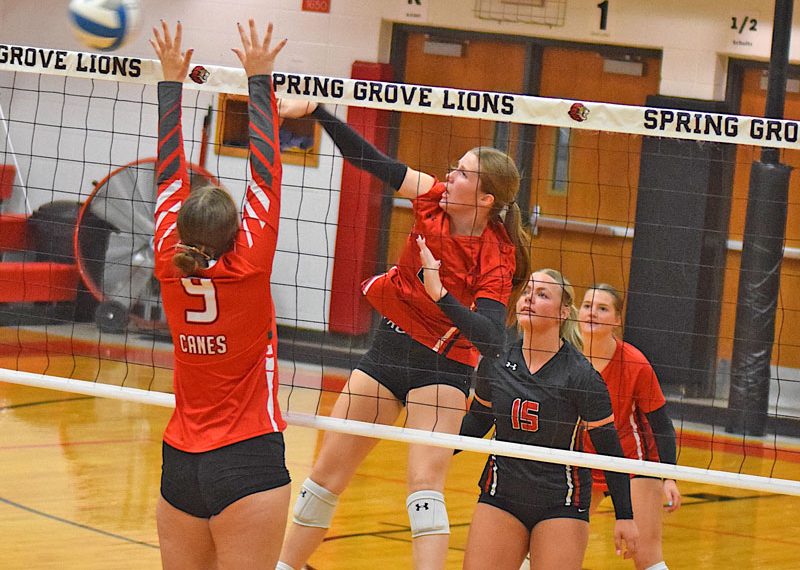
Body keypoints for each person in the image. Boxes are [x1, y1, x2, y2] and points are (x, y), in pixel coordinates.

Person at [276, 101, 531, 570]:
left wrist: (440, 295)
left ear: (484, 198)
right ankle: (285, 567)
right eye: (454, 169)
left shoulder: (497, 252)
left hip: (443, 366)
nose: (449, 175)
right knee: (324, 476)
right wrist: (317, 111)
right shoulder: (433, 197)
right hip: (388, 348)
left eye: (462, 173)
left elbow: (493, 338)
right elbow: (370, 160)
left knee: (423, 488)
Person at [151, 20, 290, 569]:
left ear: (182, 229)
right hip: (248, 457)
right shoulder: (250, 262)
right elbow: (268, 172)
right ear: (237, 232)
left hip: (179, 462)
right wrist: (261, 80)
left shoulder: (167, 258)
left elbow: (166, 176)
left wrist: (171, 82)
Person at [459, 269, 639, 570]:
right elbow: (478, 421)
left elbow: (610, 451)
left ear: (563, 312)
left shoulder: (581, 375)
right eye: (528, 292)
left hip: (561, 502)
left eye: (543, 295)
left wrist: (625, 516)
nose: (530, 298)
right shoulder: (497, 361)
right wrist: (433, 448)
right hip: (501, 494)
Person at [578, 284, 681, 570]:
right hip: (580, 461)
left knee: (646, 556)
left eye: (602, 308)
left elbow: (661, 425)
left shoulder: (635, 364)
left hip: (631, 463)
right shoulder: (566, 358)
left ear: (617, 319)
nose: (592, 314)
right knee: (554, 546)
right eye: (587, 306)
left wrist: (669, 477)